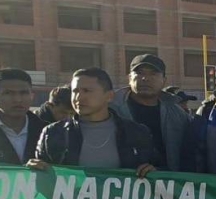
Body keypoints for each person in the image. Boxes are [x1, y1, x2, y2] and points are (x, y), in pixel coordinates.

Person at [26, 67, 154, 177]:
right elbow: (42, 182)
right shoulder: (53, 133)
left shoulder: (137, 132)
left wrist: (153, 171)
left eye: (87, 91)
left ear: (109, 96)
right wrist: (35, 170)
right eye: (75, 91)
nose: (78, 97)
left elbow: (160, 173)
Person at [111, 54, 196, 172]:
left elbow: (189, 154)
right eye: (139, 73)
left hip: (167, 185)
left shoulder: (177, 114)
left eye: (153, 74)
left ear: (164, 80)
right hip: (121, 184)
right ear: (129, 78)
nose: (145, 78)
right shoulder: (111, 110)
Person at [0, 68, 47, 164]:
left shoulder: (51, 133)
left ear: (32, 96)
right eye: (8, 93)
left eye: (24, 93)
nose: (17, 100)